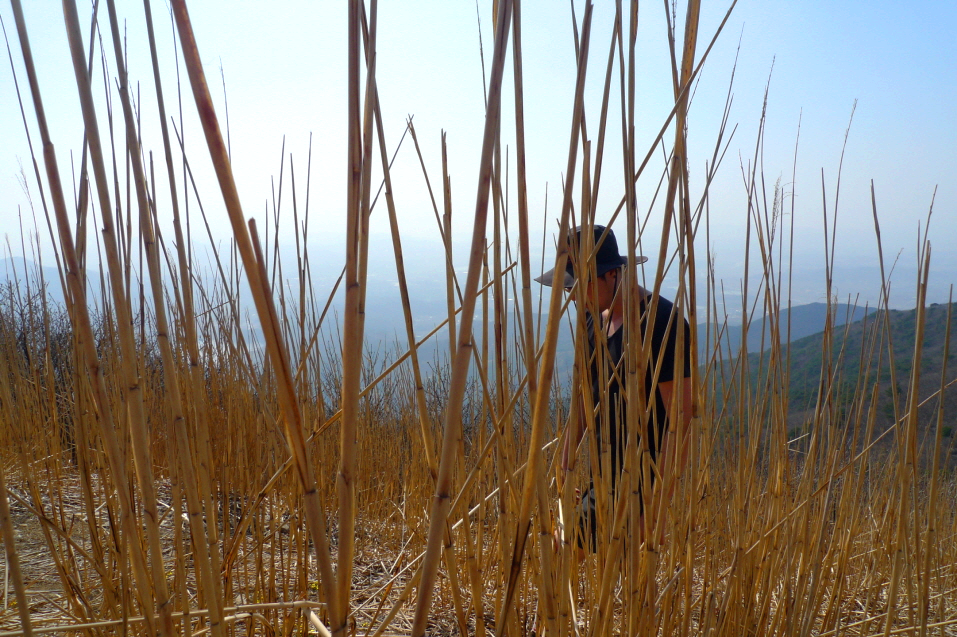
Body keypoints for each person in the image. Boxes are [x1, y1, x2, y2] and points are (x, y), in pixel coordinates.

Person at [536, 224, 693, 551]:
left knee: (569, 554)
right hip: (602, 473)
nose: (573, 295)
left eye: (580, 284)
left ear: (612, 275)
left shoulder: (662, 322)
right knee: (572, 563)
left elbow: (680, 422)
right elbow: (585, 394)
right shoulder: (593, 318)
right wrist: (566, 464)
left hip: (641, 481)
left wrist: (655, 511)